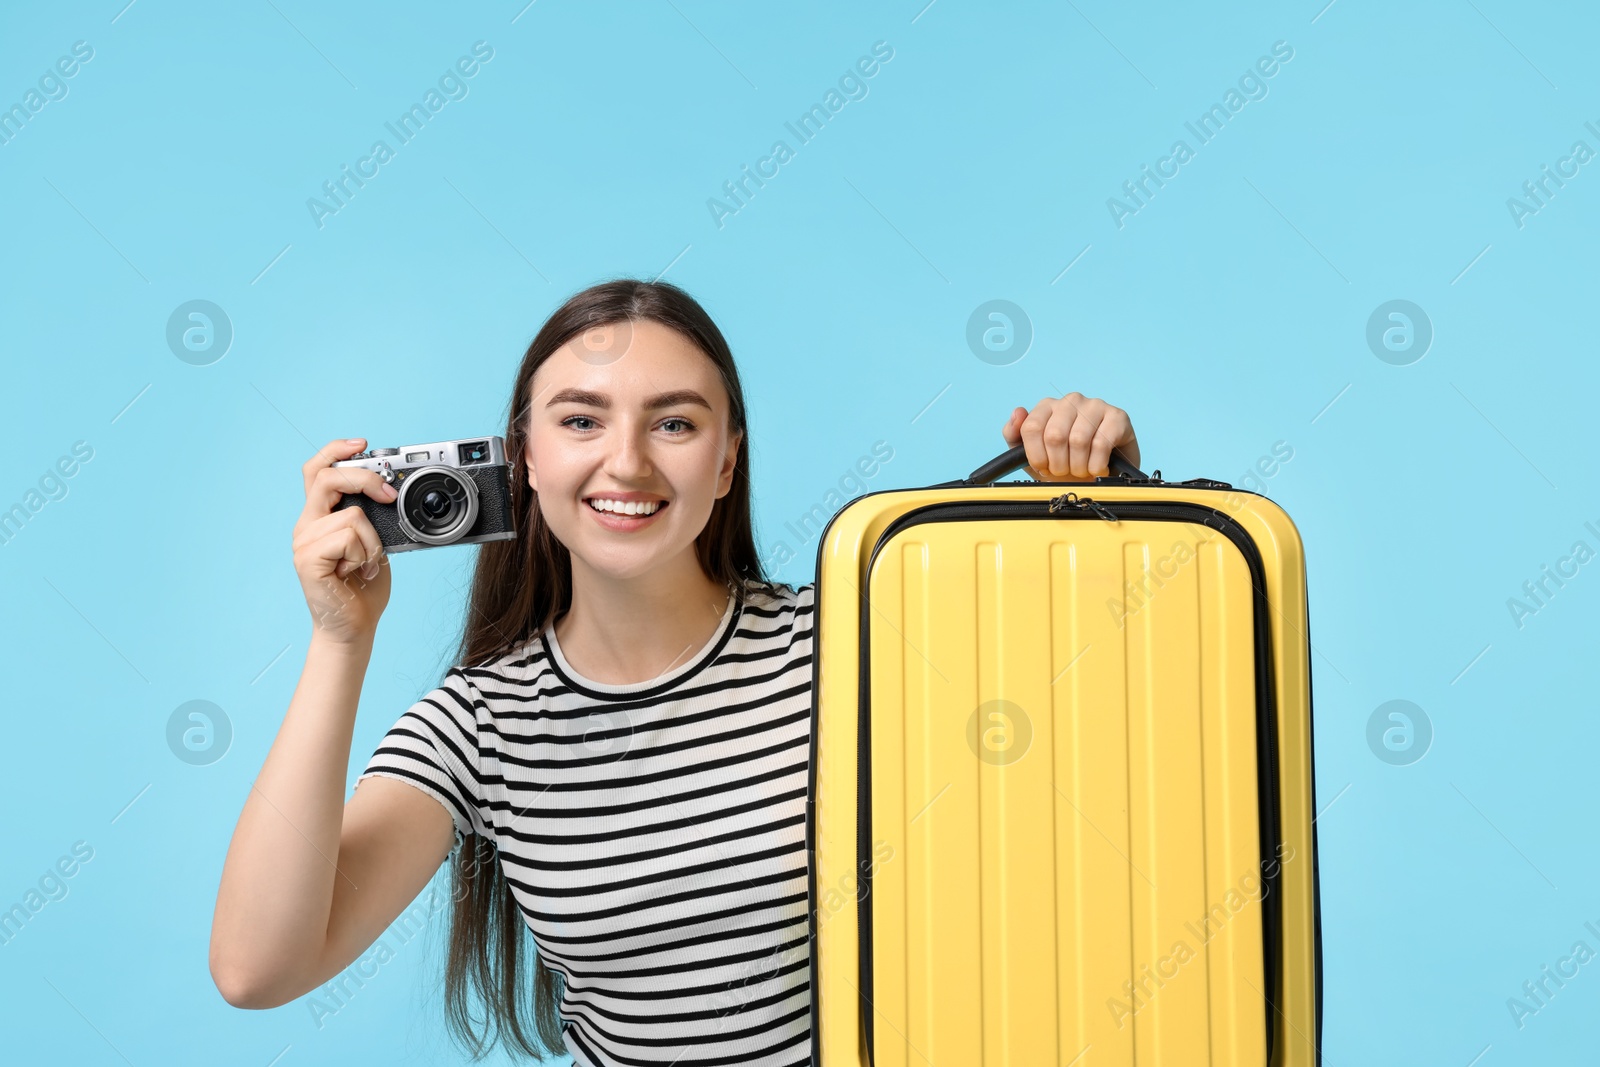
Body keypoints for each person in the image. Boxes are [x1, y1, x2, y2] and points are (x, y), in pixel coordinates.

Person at [209, 278, 1140, 1066]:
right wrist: (341, 640)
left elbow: (1110, 771)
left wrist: (1106, 511)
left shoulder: (863, 637)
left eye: (676, 423)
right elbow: (258, 967)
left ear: (728, 460)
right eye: (581, 419)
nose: (628, 461)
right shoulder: (482, 726)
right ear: (524, 459)